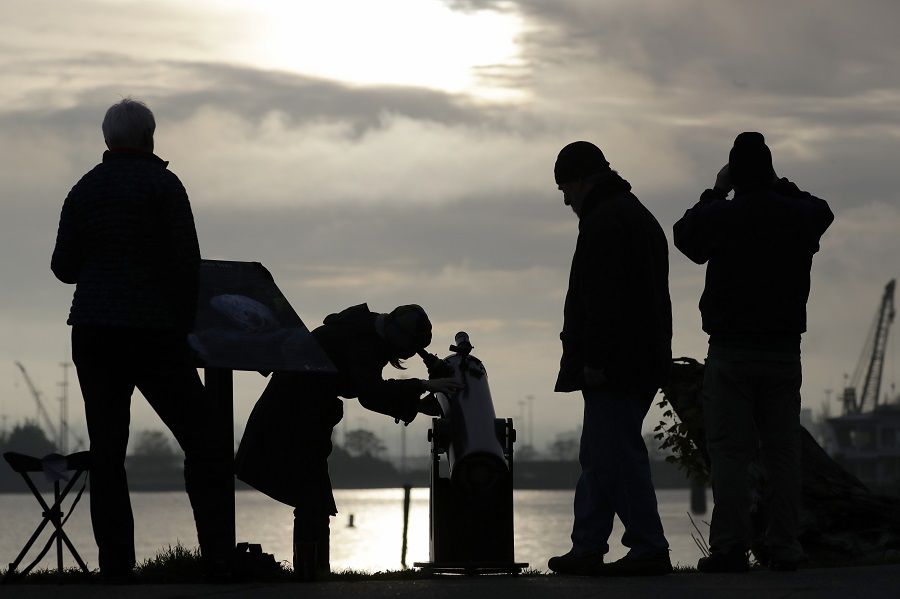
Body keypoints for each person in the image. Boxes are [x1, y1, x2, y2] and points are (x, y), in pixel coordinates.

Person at [50, 99, 233, 579]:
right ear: (151, 137)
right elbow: (185, 264)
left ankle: (117, 567)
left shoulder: (85, 189)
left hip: (94, 333)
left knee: (107, 453)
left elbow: (62, 268)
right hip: (155, 335)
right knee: (204, 441)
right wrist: (189, 329)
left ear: (107, 140)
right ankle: (216, 557)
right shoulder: (164, 186)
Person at [673, 132, 833, 572]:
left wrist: (717, 188)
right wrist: (783, 186)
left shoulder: (724, 215)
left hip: (731, 350)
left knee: (730, 453)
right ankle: (785, 545)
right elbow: (823, 211)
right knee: (783, 452)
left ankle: (729, 547)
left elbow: (684, 236)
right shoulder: (795, 215)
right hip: (783, 350)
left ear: (734, 171)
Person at [235, 303, 460, 580]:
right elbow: (370, 392)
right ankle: (312, 575)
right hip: (293, 419)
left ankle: (312, 573)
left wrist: (416, 404)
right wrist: (422, 387)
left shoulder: (361, 331)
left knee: (313, 501)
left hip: (297, 415)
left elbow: (369, 391)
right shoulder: (363, 341)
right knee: (313, 501)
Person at [547, 141, 673, 577]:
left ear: (583, 181)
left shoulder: (604, 223)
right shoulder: (635, 215)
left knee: (615, 454)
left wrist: (595, 359)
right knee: (600, 453)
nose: (565, 198)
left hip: (616, 364)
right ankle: (588, 545)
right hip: (642, 357)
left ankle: (648, 546)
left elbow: (603, 301)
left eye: (566, 187)